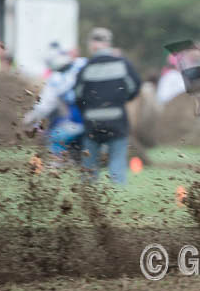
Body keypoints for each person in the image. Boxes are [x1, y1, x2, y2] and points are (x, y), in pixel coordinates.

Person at [74, 28, 140, 184]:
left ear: (92, 45)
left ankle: (87, 193)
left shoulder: (86, 68)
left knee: (89, 165)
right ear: (108, 43)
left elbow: (78, 95)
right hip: (117, 121)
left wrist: (87, 111)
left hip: (92, 123)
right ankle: (118, 192)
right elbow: (134, 87)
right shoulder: (122, 64)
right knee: (117, 161)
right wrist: (122, 100)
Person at [23, 45, 87, 156]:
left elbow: (44, 106)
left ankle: (57, 163)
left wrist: (28, 118)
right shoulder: (83, 63)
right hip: (95, 121)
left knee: (54, 138)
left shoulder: (55, 79)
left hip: (76, 123)